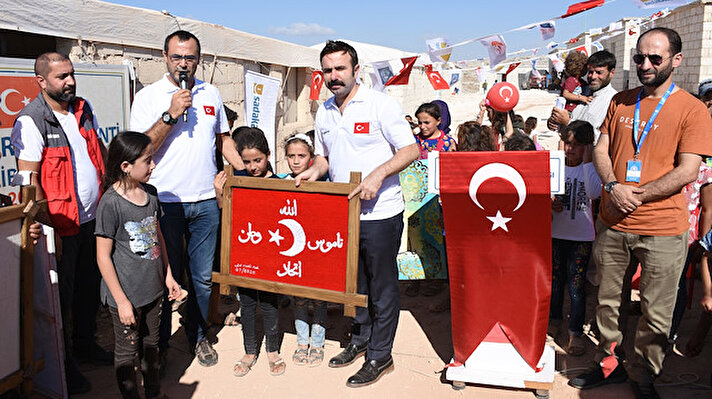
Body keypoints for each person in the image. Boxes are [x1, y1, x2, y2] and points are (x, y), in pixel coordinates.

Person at [570, 28, 712, 398]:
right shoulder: (620, 101)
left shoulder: (693, 109)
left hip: (664, 227)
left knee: (656, 310)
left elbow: (689, 169)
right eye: (639, 58)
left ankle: (644, 374)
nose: (644, 65)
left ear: (675, 61)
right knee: (606, 300)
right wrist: (615, 188)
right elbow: (601, 148)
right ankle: (609, 363)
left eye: (654, 59)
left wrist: (640, 194)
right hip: (614, 221)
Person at [295, 40, 419, 387]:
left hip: (381, 214)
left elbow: (411, 149)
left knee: (381, 285)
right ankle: (361, 339)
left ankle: (381, 355)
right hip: (342, 214)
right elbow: (324, 157)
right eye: (328, 70)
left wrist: (378, 175)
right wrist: (314, 172)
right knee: (355, 283)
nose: (333, 76)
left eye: (340, 69)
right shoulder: (324, 111)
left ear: (355, 70)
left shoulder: (381, 105)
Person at [129, 30, 243, 369]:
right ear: (164, 57)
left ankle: (197, 336)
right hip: (163, 202)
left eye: (190, 57)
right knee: (163, 279)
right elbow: (141, 148)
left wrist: (251, 173)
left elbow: (222, 140)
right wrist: (170, 114)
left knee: (202, 278)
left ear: (198, 59)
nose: (183, 63)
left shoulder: (212, 93)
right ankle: (160, 344)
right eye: (177, 57)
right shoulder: (149, 96)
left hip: (207, 201)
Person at [11, 52, 112, 394]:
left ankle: (85, 345)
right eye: (61, 77)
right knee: (62, 299)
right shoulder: (32, 120)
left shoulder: (83, 108)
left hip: (92, 220)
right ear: (41, 82)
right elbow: (30, 181)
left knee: (87, 291)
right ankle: (64, 363)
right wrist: (46, 229)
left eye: (71, 74)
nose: (70, 82)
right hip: (61, 227)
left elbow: (97, 151)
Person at [95, 131, 181, 399]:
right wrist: (121, 301)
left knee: (152, 345)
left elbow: (158, 238)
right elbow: (102, 257)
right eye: (147, 160)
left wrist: (168, 276)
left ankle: (153, 393)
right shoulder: (110, 203)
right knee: (127, 351)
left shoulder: (151, 194)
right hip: (126, 297)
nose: (153, 165)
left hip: (154, 292)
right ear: (126, 166)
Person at [214, 127, 286, 377]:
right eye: (247, 162)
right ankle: (249, 350)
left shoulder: (281, 185)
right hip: (245, 256)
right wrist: (219, 193)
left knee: (268, 303)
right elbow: (228, 218)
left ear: (268, 155)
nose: (253, 166)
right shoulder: (237, 182)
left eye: (258, 160)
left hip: (270, 257)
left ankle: (273, 351)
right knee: (246, 303)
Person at [550, 120, 601, 357]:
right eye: (568, 143)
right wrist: (551, 203)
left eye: (578, 145)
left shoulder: (591, 168)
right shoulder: (555, 165)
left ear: (588, 146)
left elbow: (593, 191)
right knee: (555, 281)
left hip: (582, 236)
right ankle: (554, 320)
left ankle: (575, 332)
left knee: (577, 286)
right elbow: (544, 194)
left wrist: (589, 160)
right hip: (555, 234)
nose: (571, 149)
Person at [280, 133, 330, 367]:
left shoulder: (326, 184)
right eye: (291, 156)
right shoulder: (280, 182)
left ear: (312, 157)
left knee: (319, 299)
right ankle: (302, 342)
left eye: (302, 156)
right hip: (293, 255)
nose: (296, 161)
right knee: (298, 298)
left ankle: (318, 343)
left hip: (317, 252)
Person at [548, 50, 618, 143]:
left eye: (599, 72)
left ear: (612, 73)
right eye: (590, 72)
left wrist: (568, 122)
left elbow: (601, 139)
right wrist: (555, 121)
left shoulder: (613, 101)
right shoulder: (583, 91)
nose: (593, 76)